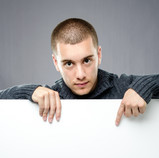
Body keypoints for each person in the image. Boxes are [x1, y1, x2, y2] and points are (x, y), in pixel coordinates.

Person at [0, 18, 159, 126]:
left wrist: (145, 86)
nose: (80, 74)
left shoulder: (123, 87)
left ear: (99, 55)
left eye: (87, 60)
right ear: (56, 62)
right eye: (69, 63)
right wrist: (29, 91)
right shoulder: (50, 97)